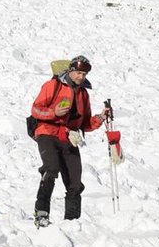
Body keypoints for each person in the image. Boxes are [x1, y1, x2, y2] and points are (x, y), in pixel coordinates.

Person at [30, 55, 104, 225]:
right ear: (70, 71)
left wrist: (100, 118)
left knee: (74, 181)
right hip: (47, 132)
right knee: (51, 169)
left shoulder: (83, 94)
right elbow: (35, 110)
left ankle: (72, 221)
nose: (81, 77)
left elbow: (85, 123)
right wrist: (53, 113)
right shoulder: (53, 86)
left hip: (69, 137)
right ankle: (41, 213)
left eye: (84, 74)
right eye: (78, 72)